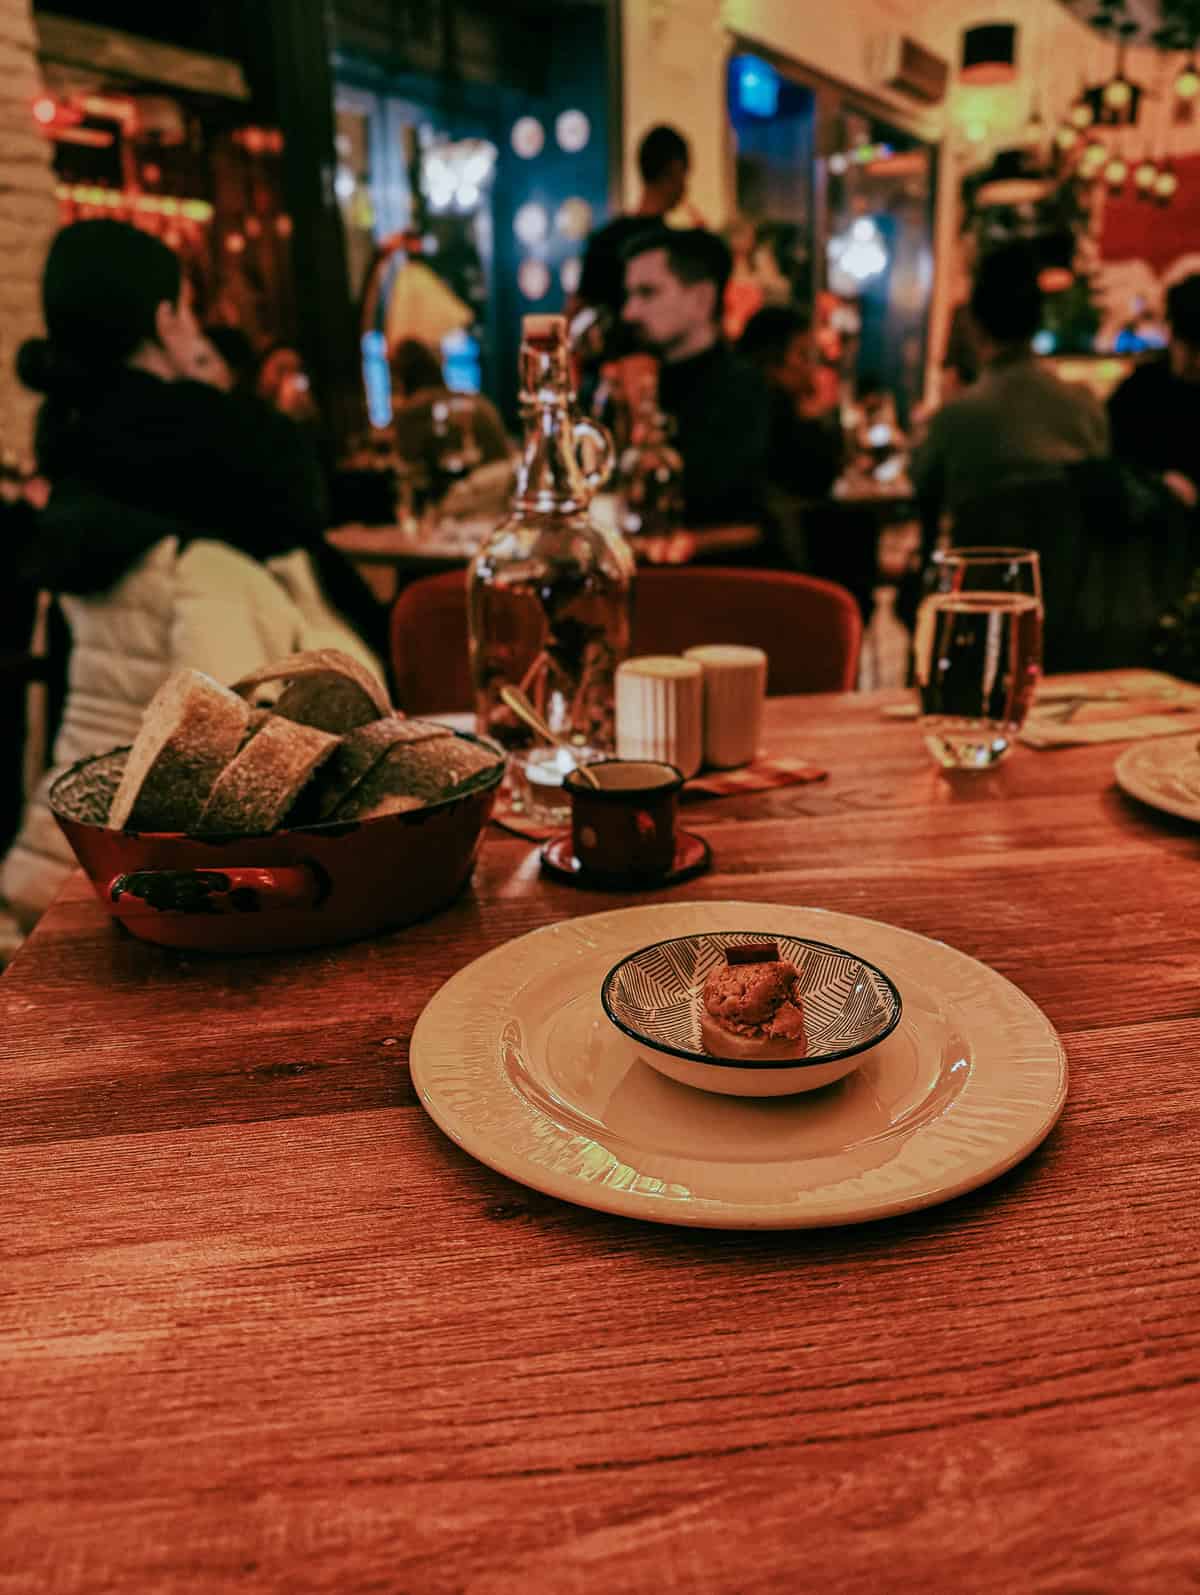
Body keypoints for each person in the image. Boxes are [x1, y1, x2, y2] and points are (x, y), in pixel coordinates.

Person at [1, 219, 384, 927]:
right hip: (178, 857)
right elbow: (299, 493)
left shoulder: (68, 453)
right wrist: (212, 383)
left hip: (66, 823)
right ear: (165, 318)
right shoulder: (232, 464)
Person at [913, 243, 1109, 522]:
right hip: (1061, 565)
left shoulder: (956, 417)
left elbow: (922, 491)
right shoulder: (1084, 406)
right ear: (1038, 319)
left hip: (979, 563)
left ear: (976, 324)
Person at [621, 227, 769, 528]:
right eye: (630, 295)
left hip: (718, 568)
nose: (629, 312)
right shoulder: (629, 378)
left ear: (702, 298)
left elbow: (710, 502)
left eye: (647, 292)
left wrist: (640, 409)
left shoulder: (742, 389)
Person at [575, 125, 691, 346]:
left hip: (611, 368)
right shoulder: (672, 245)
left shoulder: (605, 238)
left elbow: (573, 310)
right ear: (675, 170)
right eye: (686, 174)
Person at [1108, 274, 1200, 509]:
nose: (1196, 361)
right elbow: (1113, 462)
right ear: (1172, 333)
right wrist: (1158, 483)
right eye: (1190, 346)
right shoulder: (1140, 389)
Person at [738, 305, 842, 500]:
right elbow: (816, 483)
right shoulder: (767, 415)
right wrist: (813, 419)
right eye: (803, 355)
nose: (810, 368)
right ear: (770, 360)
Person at [389, 338, 510, 474]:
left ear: (401, 376)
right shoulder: (475, 399)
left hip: (472, 489)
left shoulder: (416, 408)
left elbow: (406, 465)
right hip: (502, 484)